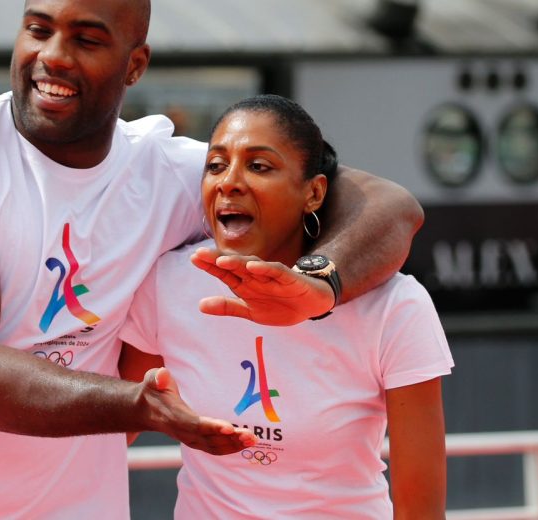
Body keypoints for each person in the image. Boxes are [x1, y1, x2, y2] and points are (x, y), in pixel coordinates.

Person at [0, 0, 425, 517]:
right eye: (38, 28)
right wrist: (139, 405)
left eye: (87, 39)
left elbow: (388, 205)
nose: (53, 55)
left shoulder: (173, 174)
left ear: (135, 64)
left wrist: (319, 282)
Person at [119, 94, 453, 519]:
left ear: (313, 193)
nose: (229, 182)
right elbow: (113, 428)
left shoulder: (395, 306)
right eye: (216, 165)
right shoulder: (168, 283)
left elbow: (419, 509)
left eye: (259, 166)